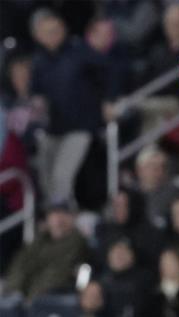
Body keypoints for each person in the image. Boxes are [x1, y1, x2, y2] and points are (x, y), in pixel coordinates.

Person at [29, 8, 106, 205]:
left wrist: (109, 102)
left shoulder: (80, 51)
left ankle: (64, 217)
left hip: (81, 126)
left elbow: (106, 74)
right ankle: (52, 216)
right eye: (47, 32)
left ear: (63, 29)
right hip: (53, 128)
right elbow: (35, 93)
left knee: (62, 175)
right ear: (38, 36)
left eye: (56, 30)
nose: (53, 36)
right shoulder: (39, 62)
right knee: (44, 173)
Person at [2, 201, 89, 301]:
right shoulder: (38, 241)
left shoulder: (78, 242)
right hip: (25, 302)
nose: (58, 219)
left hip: (52, 301)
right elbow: (20, 266)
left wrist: (34, 300)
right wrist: (13, 291)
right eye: (54, 214)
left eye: (64, 213)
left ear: (73, 218)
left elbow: (59, 275)